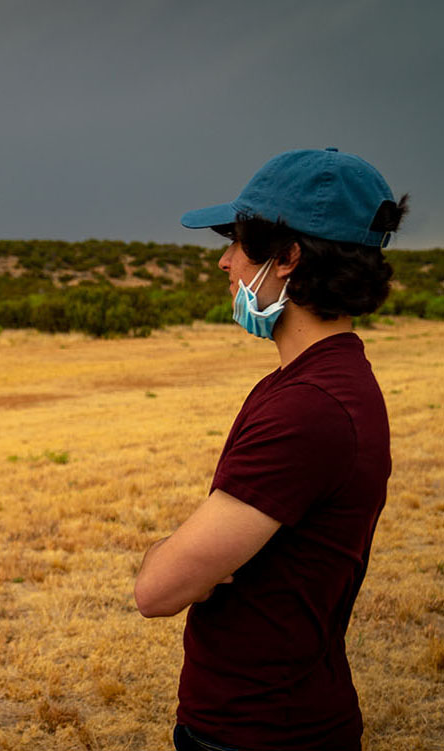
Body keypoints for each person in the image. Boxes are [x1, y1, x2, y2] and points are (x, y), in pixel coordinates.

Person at [133, 147, 408, 751]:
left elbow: (158, 591)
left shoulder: (307, 408)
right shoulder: (329, 379)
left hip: (261, 731)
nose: (225, 262)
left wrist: (174, 556)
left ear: (287, 257)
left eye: (237, 241)